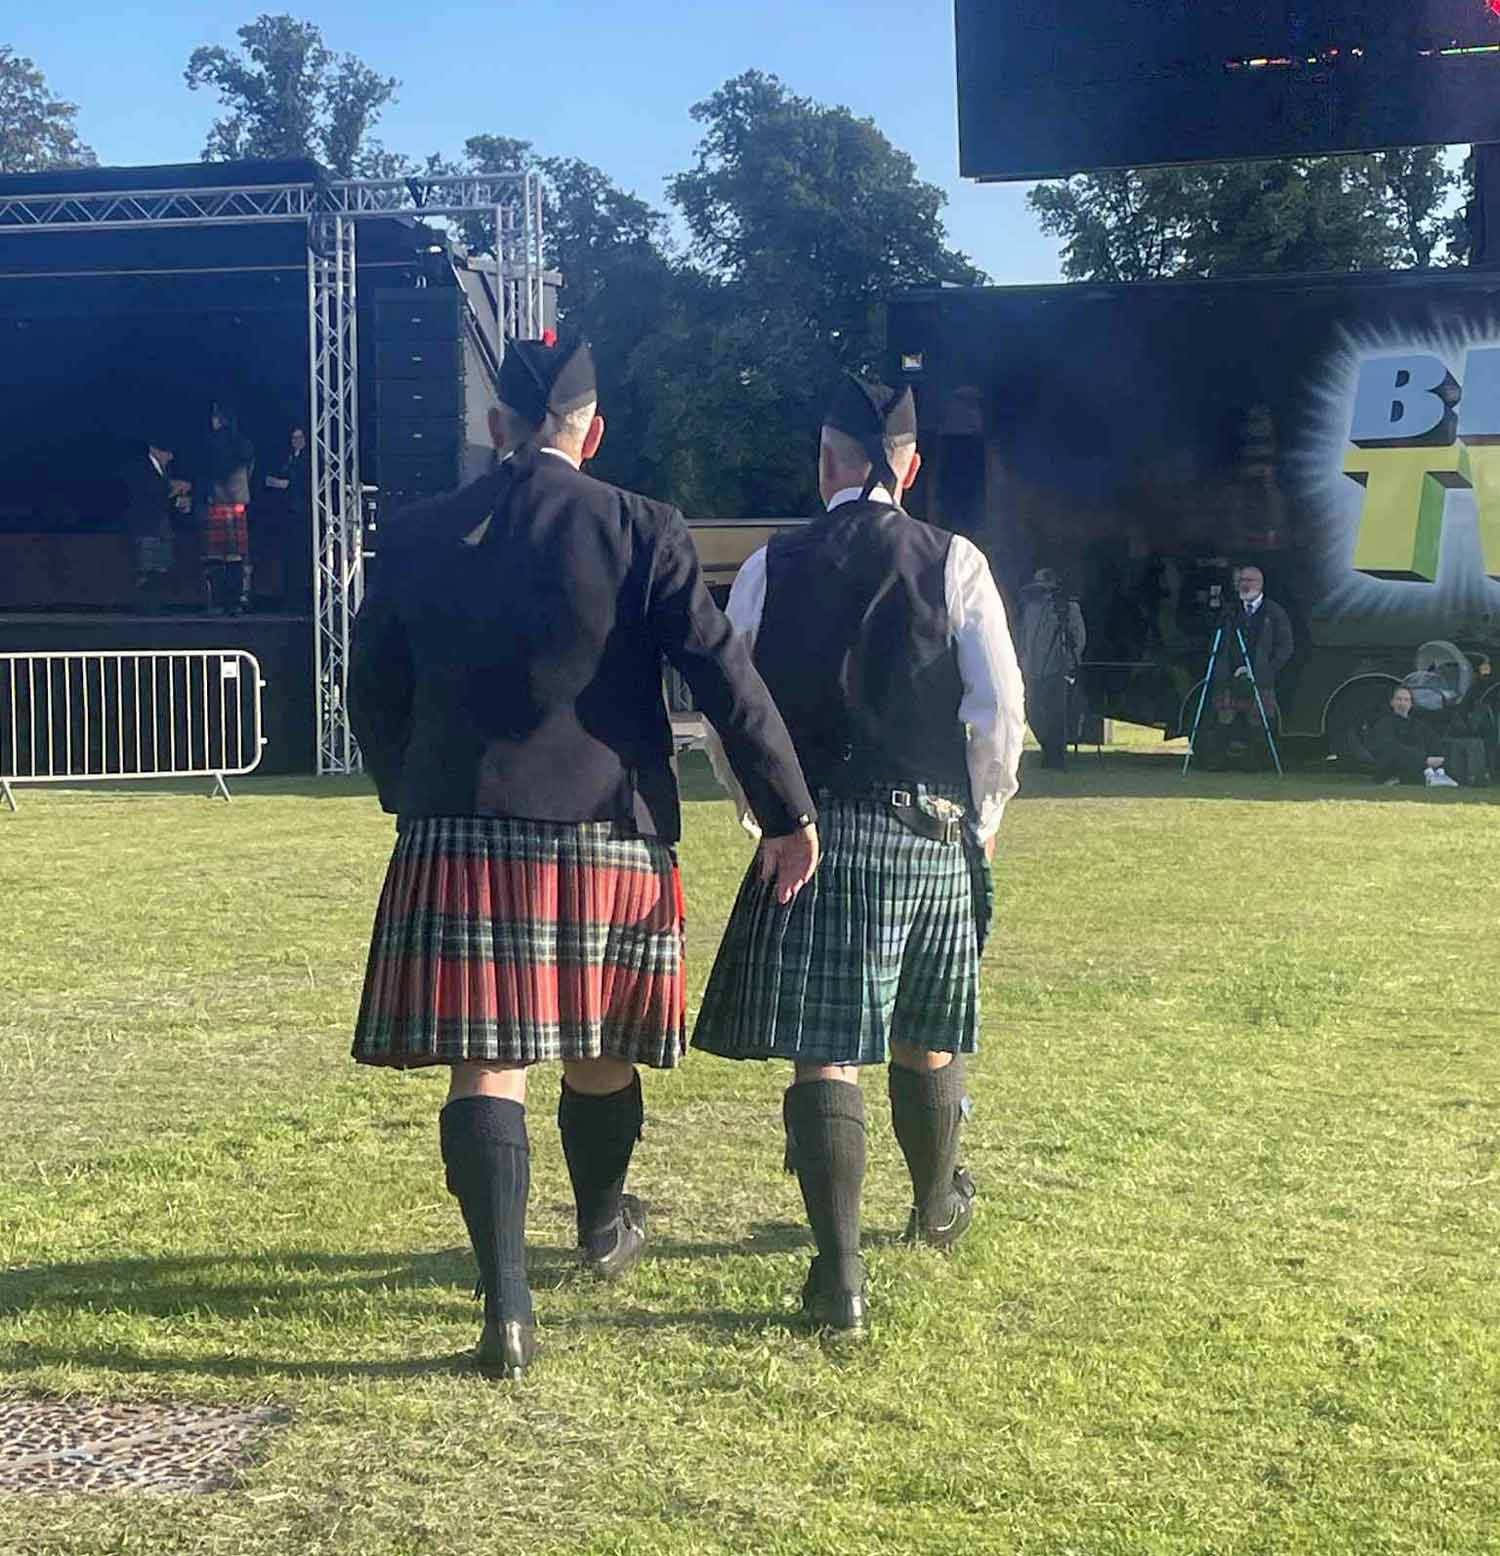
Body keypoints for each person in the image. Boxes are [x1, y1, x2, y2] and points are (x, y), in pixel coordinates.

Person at [347, 338, 818, 1380]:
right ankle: (602, 1225)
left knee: (488, 1060)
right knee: (602, 1046)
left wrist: (407, 788)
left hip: (461, 824)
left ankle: (508, 1309)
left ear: (497, 428)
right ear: (591, 433)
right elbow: (724, 677)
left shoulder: (421, 532)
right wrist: (786, 808)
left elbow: (369, 682)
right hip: (611, 828)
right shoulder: (643, 526)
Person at [693, 374, 1026, 1335]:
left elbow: (731, 714)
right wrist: (984, 811)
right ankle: (935, 1205)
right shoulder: (956, 560)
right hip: (929, 828)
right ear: (908, 469)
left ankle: (839, 1279)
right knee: (928, 1028)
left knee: (826, 1051)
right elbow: (998, 706)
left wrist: (768, 816)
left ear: (827, 462)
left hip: (817, 833)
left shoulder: (771, 565)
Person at [1203, 564, 1294, 769]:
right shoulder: (1230, 611)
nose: (1244, 585)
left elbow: (1286, 646)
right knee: (1224, 716)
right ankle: (1218, 761)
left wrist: (1269, 669)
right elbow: (1216, 640)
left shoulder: (1274, 612)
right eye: (1241, 580)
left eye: (1249, 581)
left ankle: (1256, 762)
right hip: (1229, 675)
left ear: (1260, 584)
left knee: (1259, 719)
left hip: (1260, 676)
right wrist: (1221, 665)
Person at [1017, 567, 1086, 769]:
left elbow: (1079, 637)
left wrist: (1070, 662)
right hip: (1031, 669)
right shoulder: (1029, 609)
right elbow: (1023, 637)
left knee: (1056, 714)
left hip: (1056, 669)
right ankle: (1048, 747)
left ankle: (1054, 754)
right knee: (1032, 712)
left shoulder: (1069, 608)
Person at [120, 438, 188, 613]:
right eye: (167, 452)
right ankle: (145, 607)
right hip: (145, 525)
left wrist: (178, 499)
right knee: (146, 569)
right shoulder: (140, 468)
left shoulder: (165, 470)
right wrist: (171, 488)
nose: (170, 457)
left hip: (162, 526)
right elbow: (146, 492)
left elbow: (163, 495)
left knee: (161, 568)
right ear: (155, 450)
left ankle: (157, 605)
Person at [202, 402, 256, 615]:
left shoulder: (210, 443)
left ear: (220, 419)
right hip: (237, 501)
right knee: (235, 556)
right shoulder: (244, 443)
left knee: (216, 555)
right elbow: (250, 469)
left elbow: (207, 472)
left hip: (218, 500)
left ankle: (217, 603)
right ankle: (235, 603)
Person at [264, 426, 313, 611]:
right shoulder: (287, 458)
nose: (296, 441)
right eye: (293, 438)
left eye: (299, 438)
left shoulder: (309, 460)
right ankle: (290, 597)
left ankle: (303, 598)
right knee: (289, 558)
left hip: (303, 513)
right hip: (287, 513)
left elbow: (303, 482)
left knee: (302, 557)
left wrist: (286, 484)